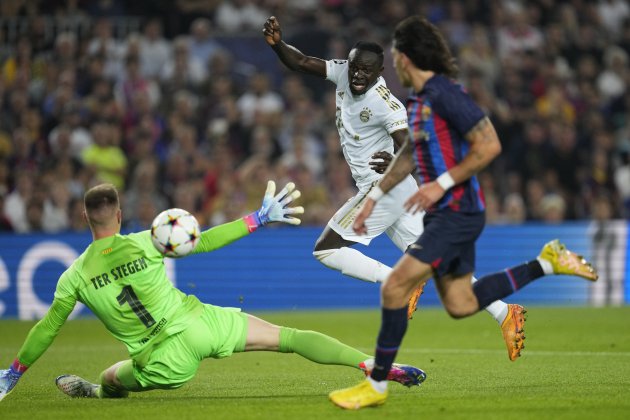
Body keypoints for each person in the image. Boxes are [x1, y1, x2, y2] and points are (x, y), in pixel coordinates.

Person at [328, 16, 598, 410]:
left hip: (456, 207)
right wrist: (381, 188)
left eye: (398, 53)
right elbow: (415, 154)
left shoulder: (443, 94)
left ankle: (378, 385)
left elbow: (488, 146)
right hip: (442, 207)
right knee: (458, 302)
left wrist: (440, 182)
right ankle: (544, 265)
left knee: (395, 287)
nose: (396, 61)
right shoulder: (417, 100)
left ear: (406, 57)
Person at [0, 182, 426, 402]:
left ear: (85, 217)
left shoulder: (73, 276)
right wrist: (257, 218)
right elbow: (203, 241)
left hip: (163, 360)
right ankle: (371, 365)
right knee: (291, 337)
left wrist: (15, 371)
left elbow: (47, 328)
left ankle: (94, 392)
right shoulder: (147, 241)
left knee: (112, 379)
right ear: (119, 214)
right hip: (202, 323)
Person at [263, 16, 527, 361]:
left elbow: (415, 147)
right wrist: (277, 45)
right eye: (355, 67)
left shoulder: (385, 104)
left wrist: (394, 164)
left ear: (379, 72)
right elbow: (300, 62)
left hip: (383, 188)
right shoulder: (344, 71)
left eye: (365, 71)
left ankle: (398, 281)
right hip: (400, 193)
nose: (357, 75)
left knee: (326, 249)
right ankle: (505, 313)